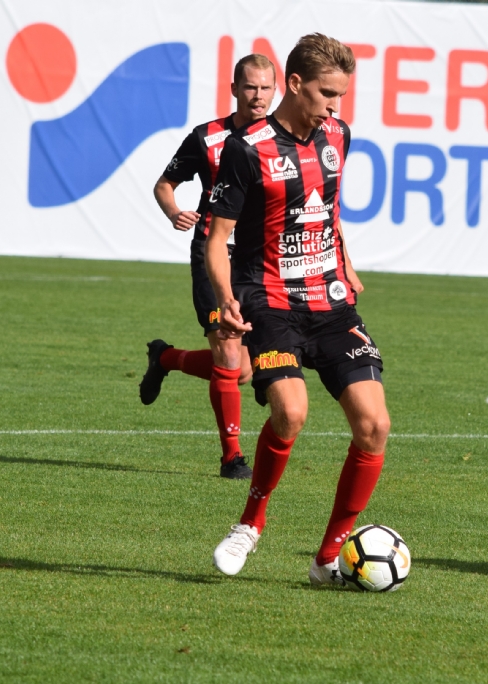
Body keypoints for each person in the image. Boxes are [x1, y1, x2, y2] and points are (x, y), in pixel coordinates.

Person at [204, 33, 385, 586]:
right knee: (291, 412)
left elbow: (329, 210)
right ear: (297, 83)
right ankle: (250, 523)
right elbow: (218, 238)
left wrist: (345, 261)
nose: (336, 106)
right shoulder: (247, 148)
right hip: (271, 299)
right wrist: (226, 299)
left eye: (342, 95)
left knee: (374, 426)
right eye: (328, 93)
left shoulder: (339, 135)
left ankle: (327, 559)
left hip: (330, 300)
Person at [139, 55, 277, 480]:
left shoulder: (283, 139)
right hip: (212, 250)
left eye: (265, 88)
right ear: (234, 89)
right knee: (229, 351)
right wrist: (173, 212)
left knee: (243, 370)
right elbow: (165, 184)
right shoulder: (207, 137)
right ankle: (231, 458)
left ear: (276, 91)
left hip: (258, 259)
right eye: (250, 87)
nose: (258, 96)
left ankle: (166, 358)